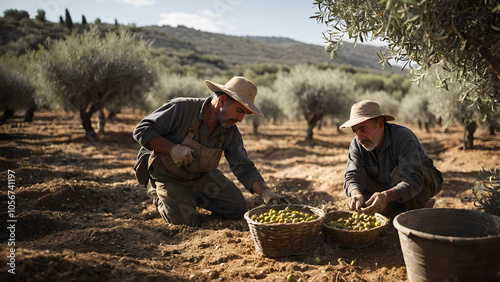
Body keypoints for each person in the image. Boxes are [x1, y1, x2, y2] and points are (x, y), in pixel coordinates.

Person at [133, 76, 283, 226]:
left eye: (245, 114)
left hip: (203, 177)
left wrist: (265, 191)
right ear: (222, 100)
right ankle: (158, 193)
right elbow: (142, 130)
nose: (241, 119)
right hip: (170, 176)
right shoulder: (181, 108)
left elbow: (243, 166)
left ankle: (193, 197)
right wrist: (173, 149)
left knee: (238, 209)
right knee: (184, 221)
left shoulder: (230, 131)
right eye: (239, 111)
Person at [339, 100, 443, 217]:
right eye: (356, 132)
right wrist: (355, 193)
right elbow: (352, 175)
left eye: (363, 130)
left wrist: (386, 196)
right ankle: (393, 210)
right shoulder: (357, 144)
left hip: (423, 180)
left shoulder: (403, 137)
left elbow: (413, 178)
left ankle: (418, 207)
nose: (360, 138)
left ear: (380, 124)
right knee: (360, 186)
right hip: (387, 182)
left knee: (399, 173)